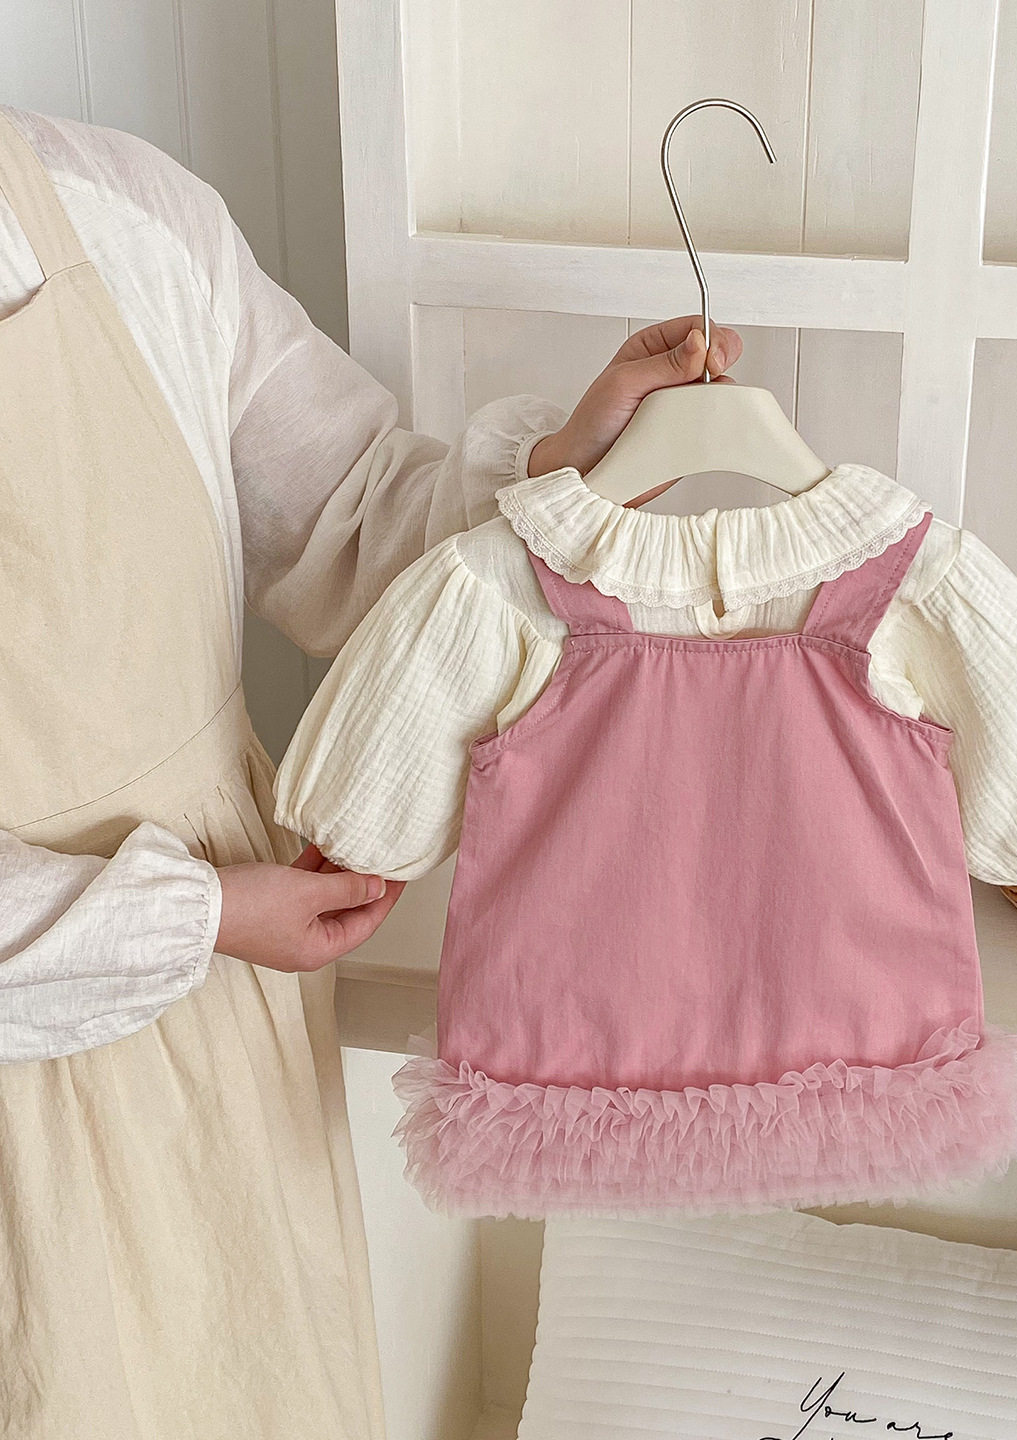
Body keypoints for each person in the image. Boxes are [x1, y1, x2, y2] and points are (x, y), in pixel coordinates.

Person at [0, 104, 741, 1440]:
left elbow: (352, 519)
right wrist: (195, 915)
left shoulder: (119, 207)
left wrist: (572, 462)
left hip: (213, 1022)